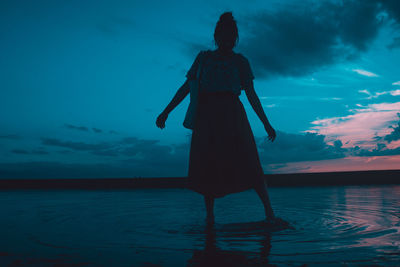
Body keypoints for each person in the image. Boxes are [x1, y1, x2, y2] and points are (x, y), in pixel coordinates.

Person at [156, 12, 281, 225]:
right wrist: (166, 111)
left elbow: (251, 94)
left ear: (236, 38)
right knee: (209, 164)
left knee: (250, 160)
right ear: (216, 36)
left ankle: (269, 213)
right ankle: (210, 217)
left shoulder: (241, 62)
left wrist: (266, 123)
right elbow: (187, 87)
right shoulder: (203, 58)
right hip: (207, 115)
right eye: (224, 34)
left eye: (232, 35)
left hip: (233, 113)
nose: (228, 39)